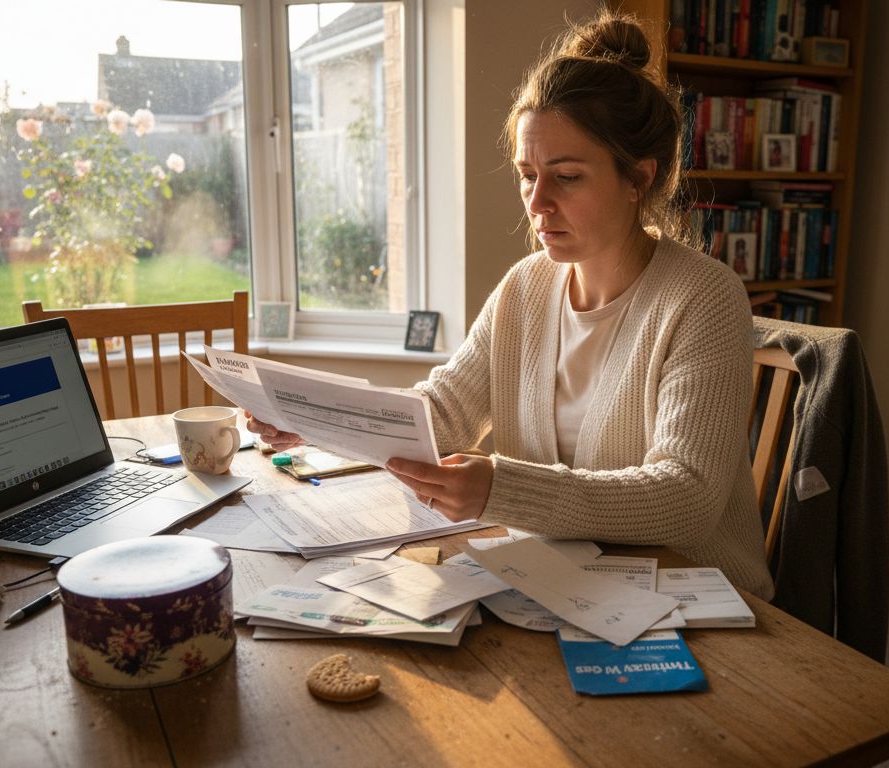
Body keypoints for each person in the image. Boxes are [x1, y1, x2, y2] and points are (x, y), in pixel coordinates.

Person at [249, 11, 774, 599]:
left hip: (690, 600)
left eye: (567, 177)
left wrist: (500, 487)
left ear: (639, 179)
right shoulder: (527, 286)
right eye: (527, 175)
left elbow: (686, 499)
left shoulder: (705, 299)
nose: (538, 202)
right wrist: (316, 418)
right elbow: (443, 413)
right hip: (565, 585)